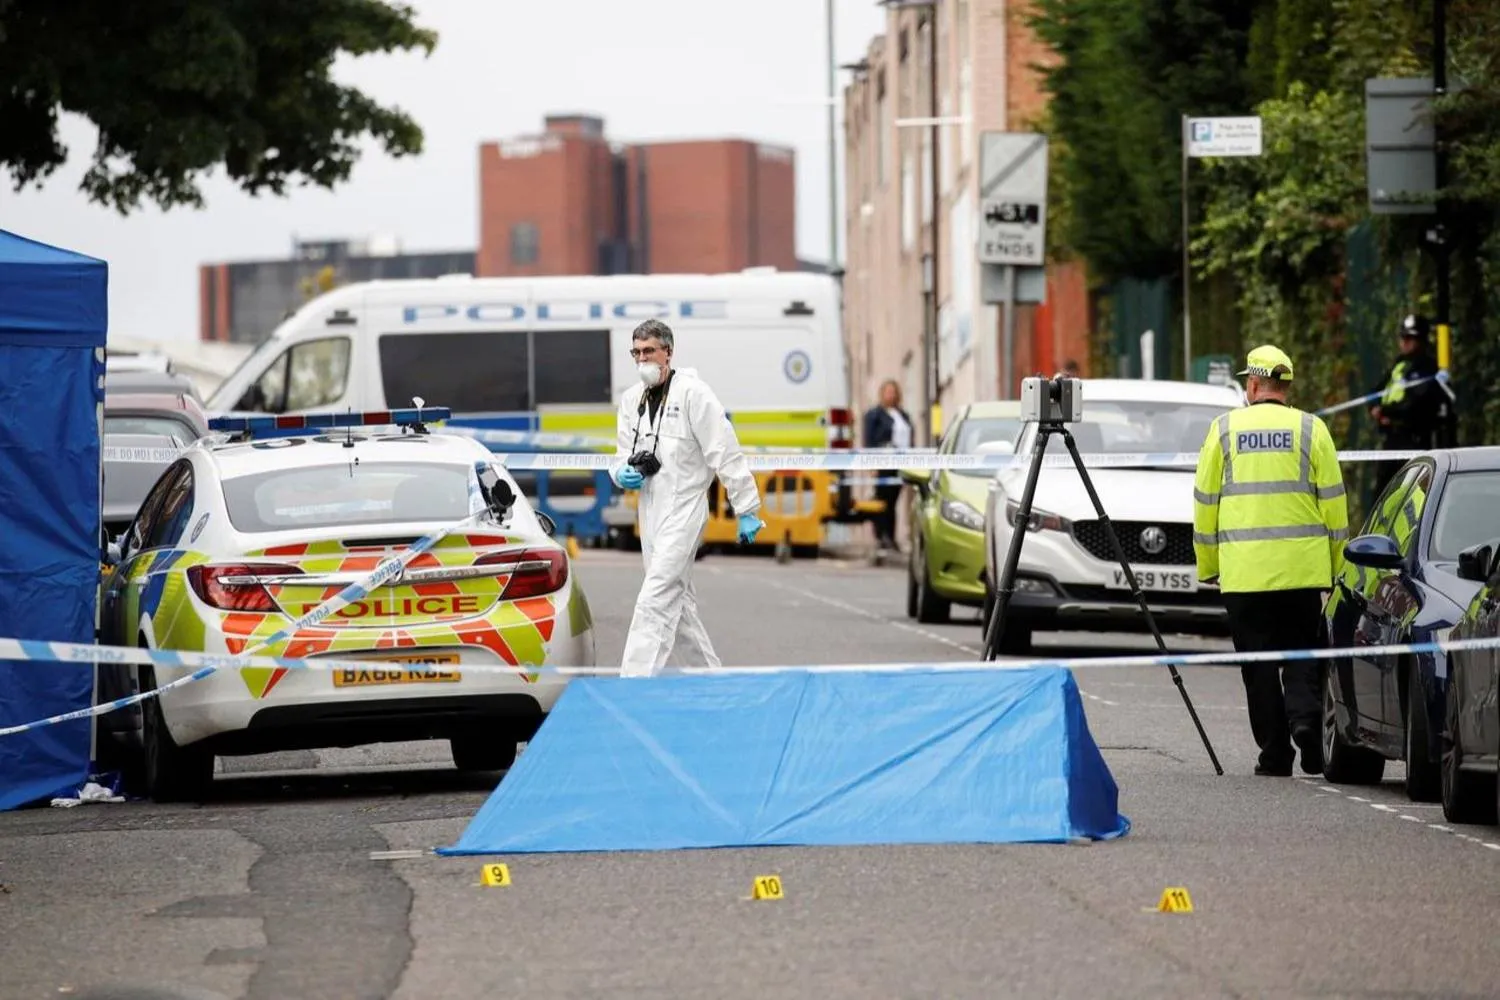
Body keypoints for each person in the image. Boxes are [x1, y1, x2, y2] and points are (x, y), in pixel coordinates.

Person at [1193, 345, 1350, 777]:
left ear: (1255, 384)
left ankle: (1276, 754)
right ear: (1285, 386)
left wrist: (1208, 564)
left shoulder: (1223, 431)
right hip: (1301, 572)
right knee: (1303, 653)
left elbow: (1206, 503)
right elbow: (1334, 506)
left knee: (1258, 667)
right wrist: (1338, 568)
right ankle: (1306, 723)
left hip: (1244, 576)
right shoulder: (1311, 430)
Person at [610, 319, 764, 677]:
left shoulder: (694, 395)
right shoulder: (632, 400)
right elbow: (620, 454)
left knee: (656, 597)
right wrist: (620, 473)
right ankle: (710, 680)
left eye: (649, 351)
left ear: (668, 351)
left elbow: (724, 451)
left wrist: (747, 508)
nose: (642, 359)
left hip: (685, 509)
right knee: (678, 607)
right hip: (650, 511)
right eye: (637, 352)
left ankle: (631, 686)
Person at [1369, 313, 1442, 494]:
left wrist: (1386, 412)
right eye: (1403, 337)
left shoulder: (1427, 368)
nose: (1405, 342)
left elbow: (1415, 404)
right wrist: (1375, 409)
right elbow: (1376, 392)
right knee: (1382, 494)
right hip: (1391, 440)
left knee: (1416, 492)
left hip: (1413, 440)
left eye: (1410, 337)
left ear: (1422, 340)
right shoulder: (1399, 364)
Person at [861, 379, 914, 551]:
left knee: (893, 502)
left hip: (899, 464)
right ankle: (882, 537)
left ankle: (891, 537)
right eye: (888, 392)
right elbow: (869, 440)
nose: (891, 395)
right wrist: (872, 464)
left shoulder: (903, 415)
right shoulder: (874, 415)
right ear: (882, 394)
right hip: (883, 462)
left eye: (893, 392)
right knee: (882, 501)